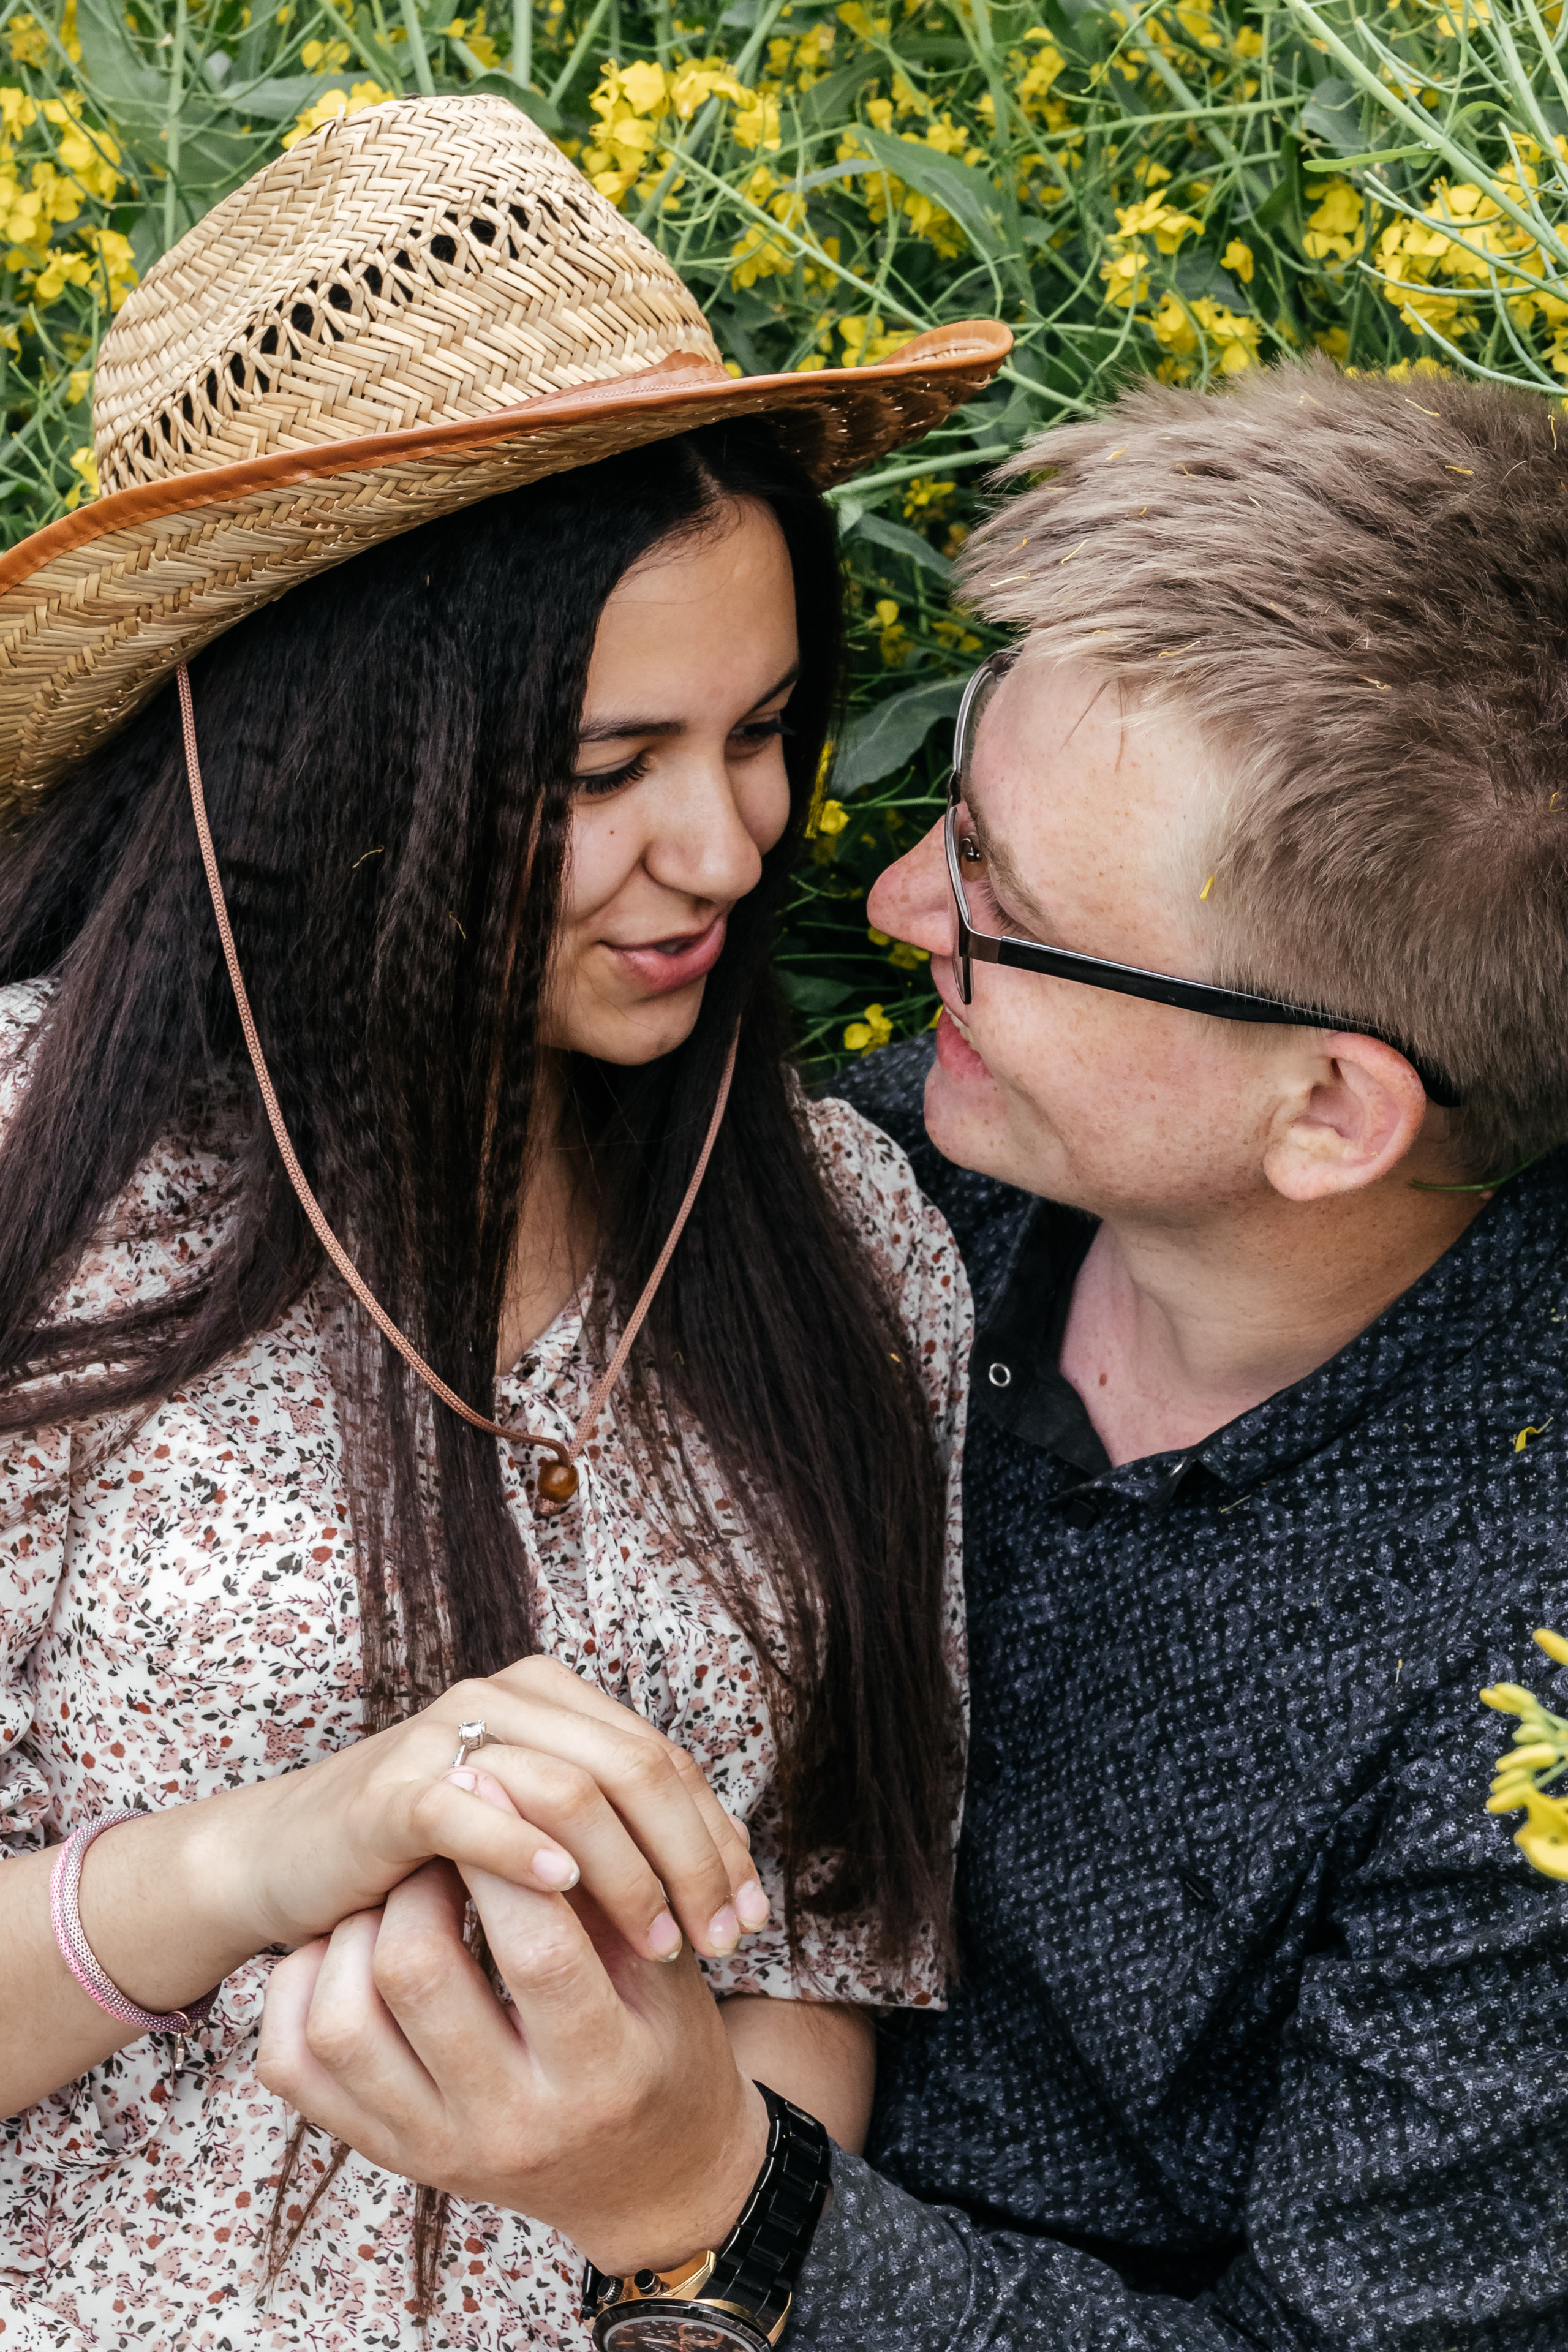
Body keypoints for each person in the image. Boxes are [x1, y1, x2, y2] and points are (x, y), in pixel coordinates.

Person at [259, 357, 1568, 2350]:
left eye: (1004, 909)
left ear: (1330, 1114)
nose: (883, 903)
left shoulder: (1523, 1692)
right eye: (953, 812)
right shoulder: (870, 1205)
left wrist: (709, 2200)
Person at [0, 92, 1012, 2346]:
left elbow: (818, 1961)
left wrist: (687, 2294)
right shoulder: (32, 1182)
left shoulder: (842, 1236)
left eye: (764, 733)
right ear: (330, 761)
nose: (734, 851)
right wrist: (262, 1857)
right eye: (601, 776)